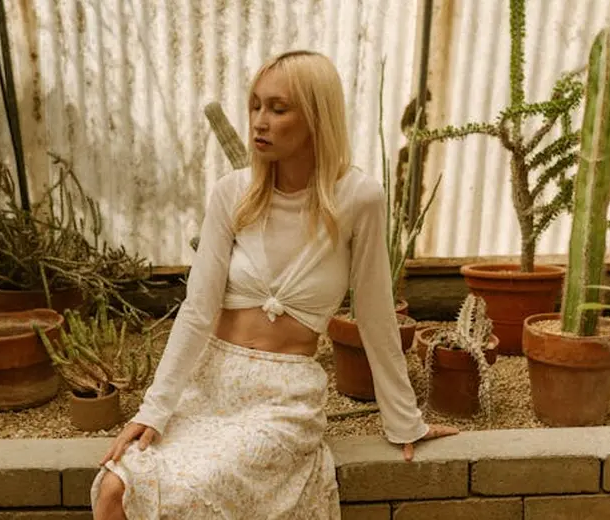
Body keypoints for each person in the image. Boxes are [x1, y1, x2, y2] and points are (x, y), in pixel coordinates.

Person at [90, 49, 457, 520]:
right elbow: (198, 311)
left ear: (317, 116)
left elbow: (374, 312)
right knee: (115, 488)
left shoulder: (358, 198)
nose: (260, 121)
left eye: (278, 108)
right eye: (255, 106)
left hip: (281, 397)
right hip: (207, 384)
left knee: (193, 488)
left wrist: (404, 421)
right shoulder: (232, 193)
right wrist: (153, 410)